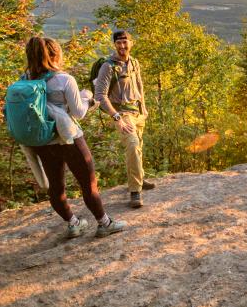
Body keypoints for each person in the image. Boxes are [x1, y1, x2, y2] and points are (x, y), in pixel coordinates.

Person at [25, 36, 126, 238]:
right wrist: (89, 99)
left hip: (42, 140)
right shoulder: (64, 79)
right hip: (68, 139)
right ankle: (104, 223)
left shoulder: (26, 78)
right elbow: (78, 112)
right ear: (54, 55)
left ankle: (73, 223)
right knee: (88, 183)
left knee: (56, 186)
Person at [94, 30, 153, 208]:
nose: (122, 46)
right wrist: (117, 117)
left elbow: (139, 85)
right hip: (123, 114)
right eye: (118, 43)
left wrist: (144, 108)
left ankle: (140, 178)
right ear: (115, 45)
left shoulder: (134, 62)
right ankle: (135, 191)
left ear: (131, 43)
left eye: (125, 42)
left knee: (138, 146)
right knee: (133, 145)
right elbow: (100, 96)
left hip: (138, 112)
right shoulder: (108, 66)